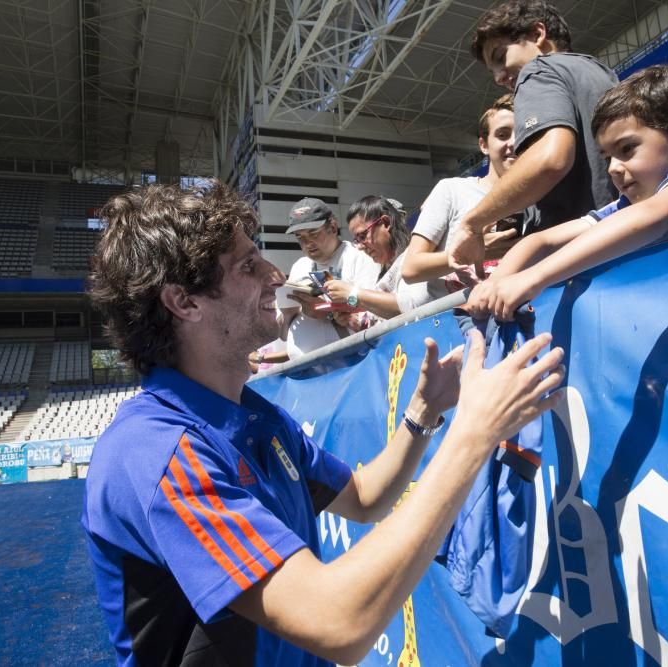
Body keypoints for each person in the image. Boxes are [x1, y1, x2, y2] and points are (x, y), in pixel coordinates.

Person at [83, 181, 565, 666]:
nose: (275, 276)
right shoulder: (154, 453)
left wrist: (423, 415)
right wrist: (473, 435)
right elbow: (339, 623)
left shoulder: (254, 415)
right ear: (183, 302)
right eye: (249, 266)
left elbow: (363, 497)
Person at [467, 65, 668, 321]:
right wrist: (498, 280)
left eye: (627, 149)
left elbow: (653, 215)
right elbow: (540, 241)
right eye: (607, 158)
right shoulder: (625, 207)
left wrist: (534, 277)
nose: (614, 168)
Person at [447, 0, 619, 275]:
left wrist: (472, 223)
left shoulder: (537, 70)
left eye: (501, 58)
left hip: (576, 263)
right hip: (617, 243)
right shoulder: (601, 73)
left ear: (538, 35)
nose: (500, 78)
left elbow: (550, 159)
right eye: (493, 71)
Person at [401, 94, 521, 300]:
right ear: (483, 145)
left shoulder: (538, 198)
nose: (513, 142)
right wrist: (471, 253)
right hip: (455, 321)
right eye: (502, 135)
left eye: (521, 134)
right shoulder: (451, 190)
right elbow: (411, 269)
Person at [281, 198, 380, 358]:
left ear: (333, 227)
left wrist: (329, 310)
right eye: (300, 237)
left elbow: (372, 306)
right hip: (303, 371)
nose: (307, 243)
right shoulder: (299, 266)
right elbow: (283, 336)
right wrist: (288, 314)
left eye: (313, 233)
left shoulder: (359, 256)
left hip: (348, 364)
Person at [321, 195, 430, 323]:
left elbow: (413, 305)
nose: (360, 246)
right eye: (356, 240)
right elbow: (373, 310)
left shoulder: (414, 257)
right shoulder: (381, 268)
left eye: (362, 236)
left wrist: (352, 293)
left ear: (386, 223)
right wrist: (353, 318)